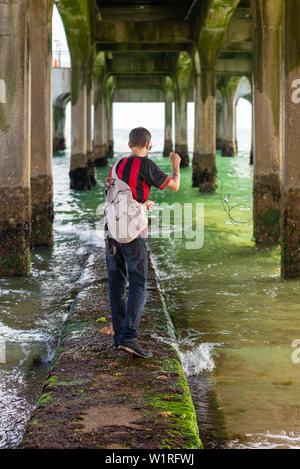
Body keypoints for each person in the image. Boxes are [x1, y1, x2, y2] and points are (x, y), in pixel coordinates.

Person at [105, 127, 181, 358]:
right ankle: (130, 337)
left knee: (116, 285)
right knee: (138, 283)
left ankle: (119, 338)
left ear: (129, 145)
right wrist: (175, 163)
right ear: (148, 145)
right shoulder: (146, 165)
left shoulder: (116, 165)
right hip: (133, 233)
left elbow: (118, 195)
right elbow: (175, 185)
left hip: (111, 230)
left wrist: (143, 200)